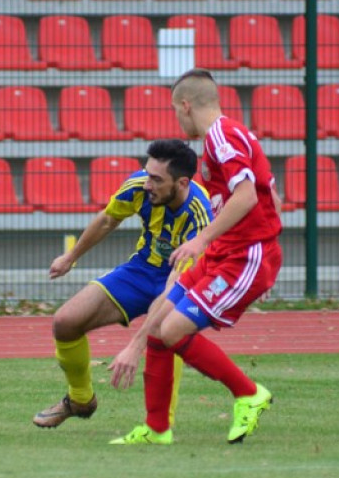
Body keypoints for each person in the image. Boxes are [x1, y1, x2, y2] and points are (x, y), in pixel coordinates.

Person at [108, 68, 284, 445]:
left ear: (185, 106)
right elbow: (270, 192)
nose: (177, 118)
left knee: (172, 330)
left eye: (176, 111)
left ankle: (249, 393)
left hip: (242, 255)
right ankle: (157, 429)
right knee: (158, 322)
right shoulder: (226, 137)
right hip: (232, 251)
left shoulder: (222, 136)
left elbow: (249, 196)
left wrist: (205, 241)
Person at [33, 139, 214, 429]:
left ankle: (159, 426)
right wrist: (71, 257)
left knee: (166, 332)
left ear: (181, 183)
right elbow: (107, 219)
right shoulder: (139, 186)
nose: (147, 184)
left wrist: (135, 345)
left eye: (156, 179)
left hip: (180, 280)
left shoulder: (200, 215)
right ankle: (80, 399)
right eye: (147, 174)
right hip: (141, 270)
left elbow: (173, 287)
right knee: (66, 321)